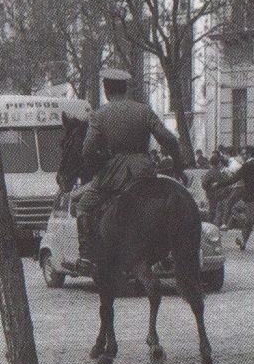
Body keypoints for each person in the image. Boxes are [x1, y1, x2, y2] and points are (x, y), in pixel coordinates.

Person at [75, 67, 183, 263]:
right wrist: (179, 166)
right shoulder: (144, 110)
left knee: (82, 206)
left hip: (112, 174)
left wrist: (99, 163)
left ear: (107, 90)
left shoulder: (99, 115)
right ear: (125, 89)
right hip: (144, 172)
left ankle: (86, 251)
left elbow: (87, 151)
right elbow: (169, 140)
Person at [222, 146, 254, 250]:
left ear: (248, 155)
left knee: (242, 214)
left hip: (250, 197)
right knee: (247, 218)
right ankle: (243, 241)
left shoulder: (247, 166)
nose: (242, 156)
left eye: (243, 154)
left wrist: (219, 184)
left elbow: (234, 179)